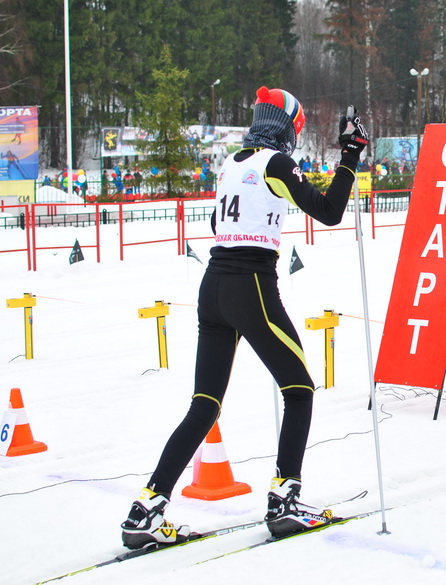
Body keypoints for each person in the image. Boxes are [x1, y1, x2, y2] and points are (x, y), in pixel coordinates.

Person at [120, 86, 369, 549]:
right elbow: (329, 212)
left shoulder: (232, 162)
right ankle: (285, 500)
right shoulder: (275, 163)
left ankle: (147, 508)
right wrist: (350, 154)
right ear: (288, 130)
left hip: (212, 285)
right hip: (250, 284)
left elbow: (222, 226)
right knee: (299, 390)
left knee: (204, 405)